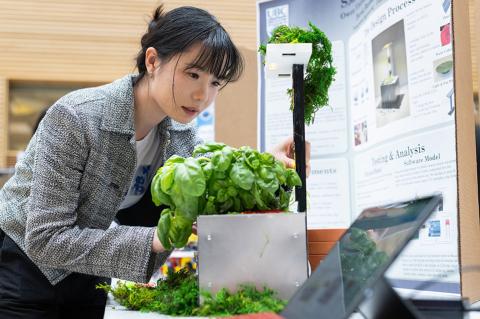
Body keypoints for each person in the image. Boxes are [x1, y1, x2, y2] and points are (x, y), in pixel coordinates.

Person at [0, 5, 309, 319]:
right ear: (152, 61)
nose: (203, 94)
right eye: (193, 74)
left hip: (88, 268)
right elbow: (44, 238)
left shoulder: (181, 133)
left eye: (216, 83)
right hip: (24, 268)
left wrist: (267, 163)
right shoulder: (77, 117)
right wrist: (155, 239)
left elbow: (218, 170)